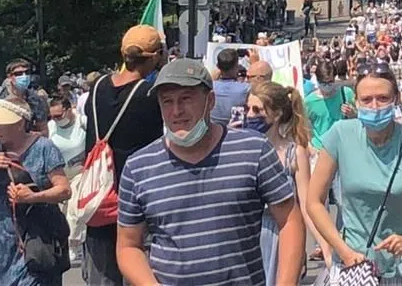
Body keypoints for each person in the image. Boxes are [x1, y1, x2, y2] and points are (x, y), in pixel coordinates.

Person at [116, 57, 306, 285]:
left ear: (211, 101)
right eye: (167, 102)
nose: (176, 111)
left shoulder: (253, 150)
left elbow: (289, 220)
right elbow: (128, 246)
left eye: (186, 99)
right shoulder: (139, 167)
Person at [306, 61, 402, 284]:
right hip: (354, 265)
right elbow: (314, 201)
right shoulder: (340, 135)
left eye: (383, 98)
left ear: (396, 99)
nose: (375, 106)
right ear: (356, 102)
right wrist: (341, 250)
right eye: (367, 100)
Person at [81, 25, 166, 286]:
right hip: (135, 200)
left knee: (102, 275)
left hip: (98, 196)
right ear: (155, 56)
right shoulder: (150, 96)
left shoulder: (97, 87)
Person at [0, 98, 71, 286]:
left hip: (35, 234)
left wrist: (33, 196)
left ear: (18, 123)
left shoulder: (44, 147)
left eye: (0, 123)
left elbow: (64, 190)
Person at [245, 79, 315, 284]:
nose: (250, 115)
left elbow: (307, 205)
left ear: (276, 115)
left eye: (257, 110)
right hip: (246, 236)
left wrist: (327, 249)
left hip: (279, 237)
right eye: (248, 108)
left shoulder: (294, 153)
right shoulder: (240, 148)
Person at [0, 59, 49, 142]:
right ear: (9, 77)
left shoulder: (36, 100)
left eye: (27, 72)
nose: (24, 76)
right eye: (18, 74)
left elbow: (44, 131)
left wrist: (36, 134)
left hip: (25, 145)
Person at [46, 94, 86, 178]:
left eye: (58, 116)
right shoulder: (50, 125)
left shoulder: (83, 122)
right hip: (62, 176)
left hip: (84, 174)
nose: (56, 120)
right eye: (52, 117)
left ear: (69, 110)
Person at [212, 47, 250, 126]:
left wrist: (211, 79)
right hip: (237, 130)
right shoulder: (245, 89)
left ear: (218, 66)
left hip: (213, 129)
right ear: (236, 66)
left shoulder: (209, 88)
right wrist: (255, 63)